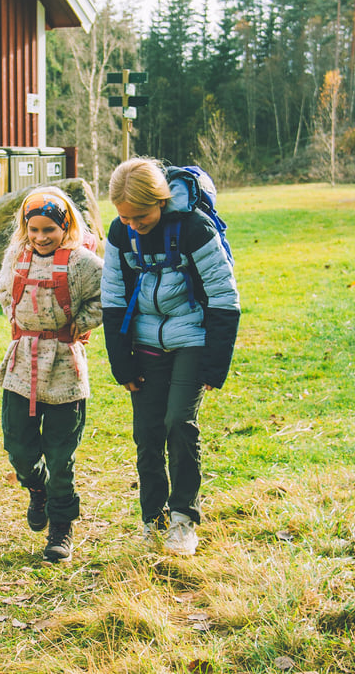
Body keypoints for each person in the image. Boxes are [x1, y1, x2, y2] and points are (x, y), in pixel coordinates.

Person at [101, 157, 239, 556]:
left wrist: (215, 363)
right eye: (124, 217)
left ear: (160, 201)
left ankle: (183, 518)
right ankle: (153, 518)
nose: (132, 225)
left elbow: (224, 297)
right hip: (144, 342)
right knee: (147, 432)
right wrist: (120, 361)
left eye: (139, 216)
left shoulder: (195, 229)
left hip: (191, 339)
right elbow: (112, 297)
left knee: (179, 421)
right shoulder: (120, 233)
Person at [0, 187, 103, 563]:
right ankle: (36, 487)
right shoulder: (17, 257)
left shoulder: (81, 262)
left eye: (49, 231)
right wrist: (18, 319)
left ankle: (61, 525)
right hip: (22, 365)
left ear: (65, 227)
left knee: (61, 457)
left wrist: (83, 323)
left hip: (65, 370)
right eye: (34, 229)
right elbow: (3, 290)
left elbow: (107, 294)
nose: (41, 238)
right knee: (19, 449)